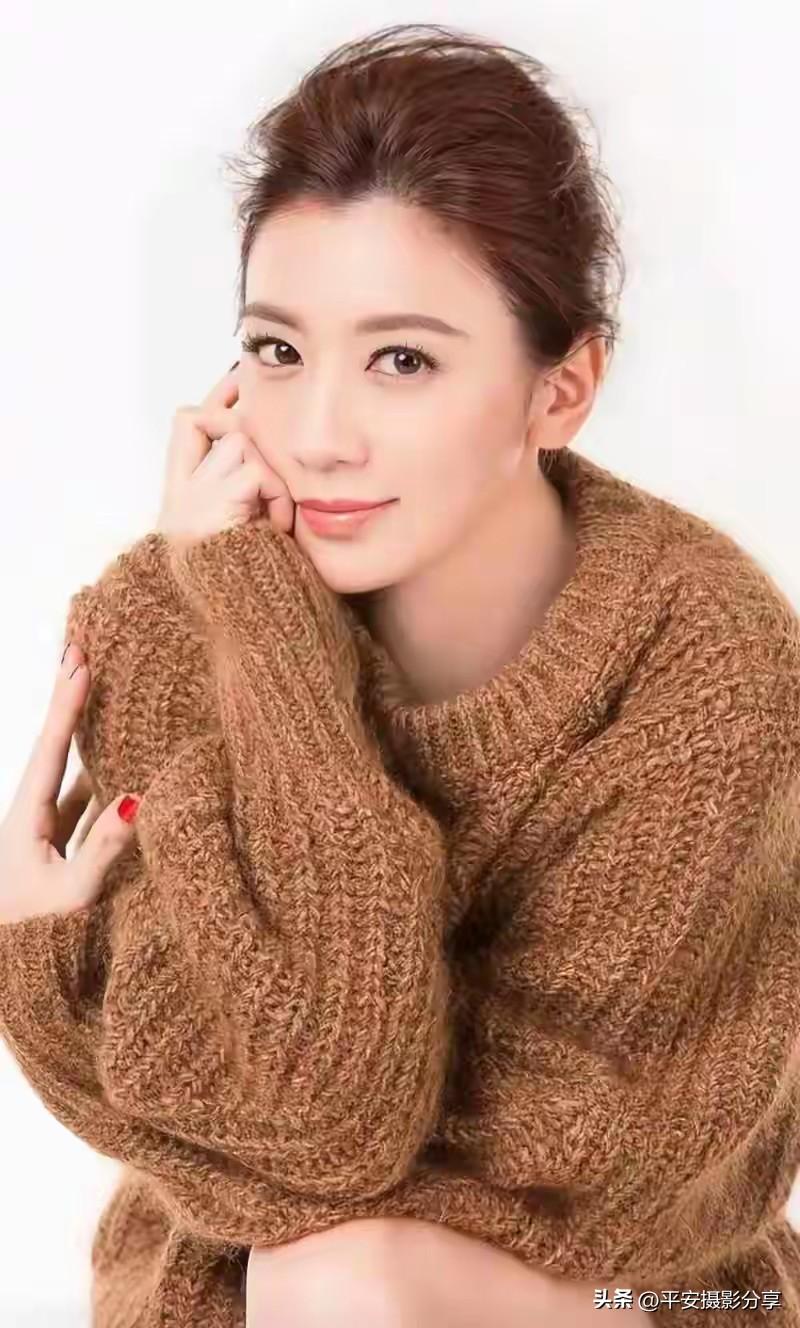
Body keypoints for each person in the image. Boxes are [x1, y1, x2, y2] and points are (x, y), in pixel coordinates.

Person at [2, 22, 799, 1328]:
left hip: (633, 1291)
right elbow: (269, 1118)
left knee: (344, 1275)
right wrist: (49, 968)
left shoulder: (701, 660)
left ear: (562, 391)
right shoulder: (170, 614)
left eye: (403, 360)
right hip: (230, 1293)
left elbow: (577, 1167)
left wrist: (93, 1009)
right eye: (276, 351)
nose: (317, 436)